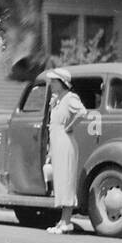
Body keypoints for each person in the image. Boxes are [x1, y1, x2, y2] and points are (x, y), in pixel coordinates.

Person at [44, 68, 90, 234]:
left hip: (65, 142)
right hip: (57, 143)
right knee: (60, 181)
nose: (52, 85)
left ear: (62, 83)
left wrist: (70, 127)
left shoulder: (70, 98)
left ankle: (67, 221)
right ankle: (62, 220)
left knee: (66, 180)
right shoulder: (58, 100)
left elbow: (82, 112)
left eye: (54, 81)